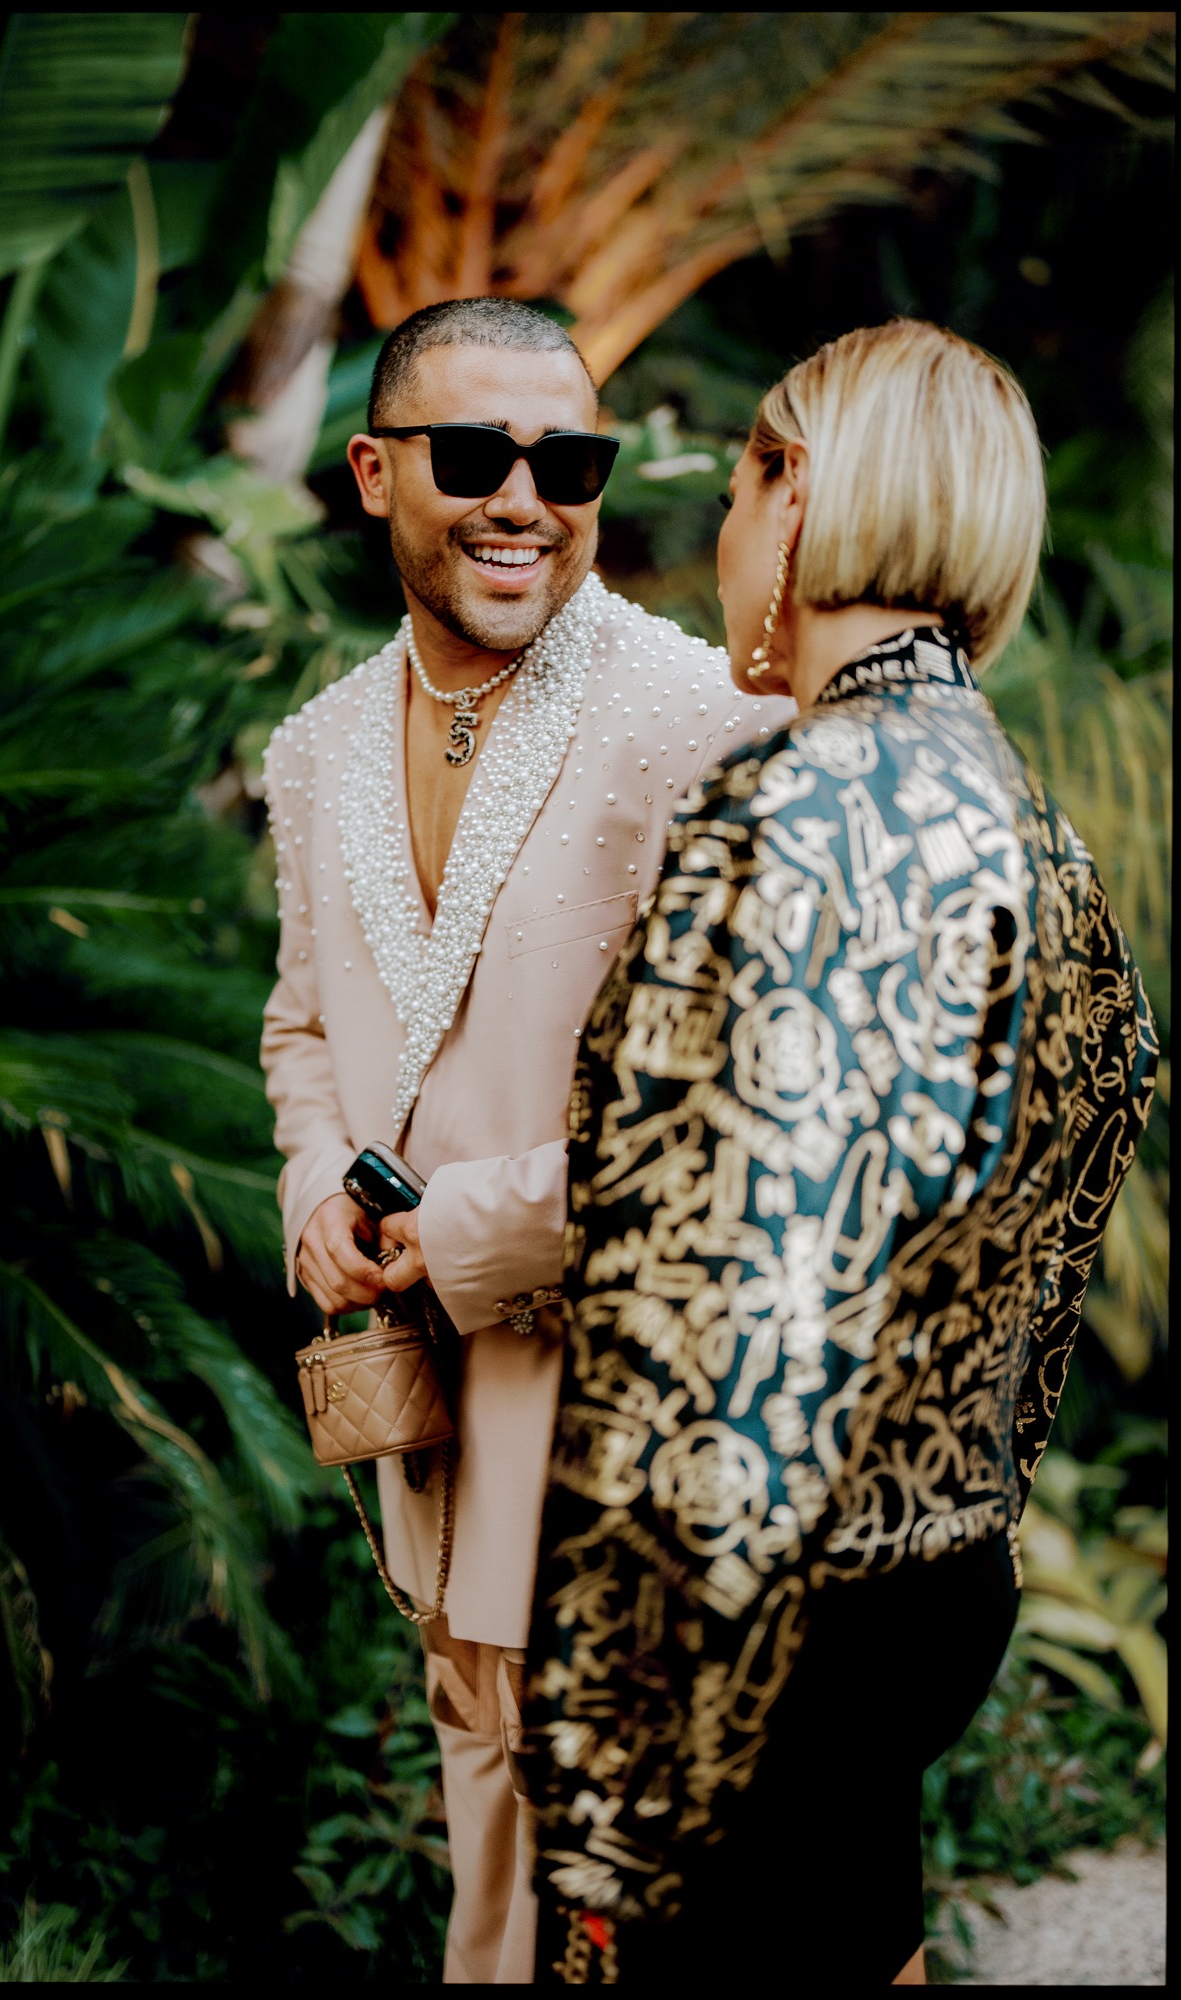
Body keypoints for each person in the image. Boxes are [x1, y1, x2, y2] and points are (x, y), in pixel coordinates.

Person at [520, 319, 1158, 1987]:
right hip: (938, 1582)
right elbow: (1062, 1233)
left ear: (792, 490)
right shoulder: (1038, 833)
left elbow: (709, 1340)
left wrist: (606, 1789)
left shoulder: (784, 818)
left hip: (761, 1630)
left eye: (741, 486)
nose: (728, 533)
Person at [259, 296, 794, 1984]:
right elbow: (302, 1030)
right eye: (477, 455)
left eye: (567, 462)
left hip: (629, 1419)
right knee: (484, 1811)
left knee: (622, 1890)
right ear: (372, 471)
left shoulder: (697, 719)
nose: (524, 500)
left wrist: (469, 1232)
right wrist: (314, 1192)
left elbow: (746, 1102)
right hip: (423, 1425)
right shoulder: (315, 750)